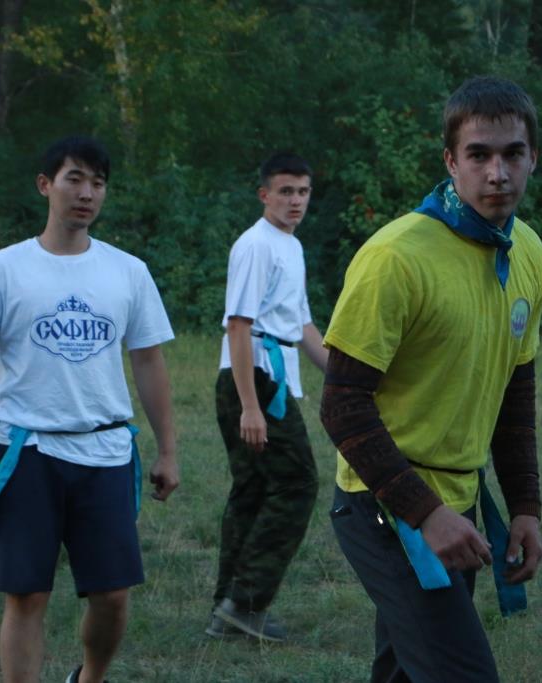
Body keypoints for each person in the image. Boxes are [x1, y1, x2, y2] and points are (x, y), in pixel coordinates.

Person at [319, 76, 542, 682]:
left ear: (533, 158)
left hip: (459, 501)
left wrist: (525, 507)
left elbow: (514, 392)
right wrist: (425, 514)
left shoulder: (528, 251)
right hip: (386, 506)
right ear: (451, 162)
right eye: (478, 155)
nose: (497, 173)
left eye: (512, 154)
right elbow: (342, 404)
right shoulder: (396, 257)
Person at [0, 136, 179, 683]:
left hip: (106, 451)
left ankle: (88, 677)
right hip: (25, 451)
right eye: (75, 179)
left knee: (113, 595)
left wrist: (168, 450)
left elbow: (148, 362)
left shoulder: (128, 271)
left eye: (98, 183)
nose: (87, 193)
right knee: (26, 595)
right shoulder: (2, 269)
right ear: (46, 185)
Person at [208, 152, 326, 642]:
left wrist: (343, 376)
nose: (295, 201)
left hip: (269, 377)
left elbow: (301, 324)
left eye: (303, 192)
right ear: (264, 195)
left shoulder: (290, 246)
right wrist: (251, 407)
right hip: (254, 379)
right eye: (285, 192)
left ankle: (227, 610)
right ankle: (246, 601)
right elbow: (239, 325)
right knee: (298, 484)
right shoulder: (256, 245)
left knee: (254, 491)